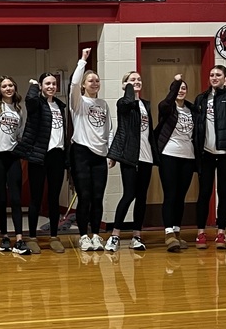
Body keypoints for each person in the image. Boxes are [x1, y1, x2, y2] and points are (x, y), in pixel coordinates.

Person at [17, 72, 68, 254]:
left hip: (57, 156)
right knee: (35, 198)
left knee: (54, 198)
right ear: (41, 86)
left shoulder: (60, 106)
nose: (51, 87)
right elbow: (30, 100)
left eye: (54, 84)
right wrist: (33, 86)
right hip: (39, 156)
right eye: (47, 84)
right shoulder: (36, 103)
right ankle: (32, 237)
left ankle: (54, 236)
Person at [192, 65, 226, 250]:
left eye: (218, 75)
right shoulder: (202, 98)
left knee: (224, 192)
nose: (214, 77)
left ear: (225, 77)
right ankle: (201, 233)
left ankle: (221, 233)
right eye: (212, 74)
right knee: (204, 193)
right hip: (206, 153)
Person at [104, 71, 154, 252]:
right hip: (130, 156)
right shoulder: (124, 102)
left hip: (146, 156)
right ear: (125, 85)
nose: (137, 82)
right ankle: (115, 235)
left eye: (139, 79)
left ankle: (136, 235)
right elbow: (126, 105)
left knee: (142, 197)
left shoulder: (145, 105)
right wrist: (129, 89)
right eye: (132, 80)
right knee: (129, 194)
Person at [69, 48, 111, 252]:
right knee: (84, 195)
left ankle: (96, 234)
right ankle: (83, 235)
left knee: (97, 197)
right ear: (84, 85)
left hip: (100, 154)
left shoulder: (103, 104)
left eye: (97, 81)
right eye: (91, 81)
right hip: (81, 153)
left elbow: (108, 129)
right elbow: (74, 83)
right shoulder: (78, 101)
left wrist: (110, 152)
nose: (94, 83)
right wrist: (82, 61)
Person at [154, 74, 197, 252]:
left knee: (181, 196)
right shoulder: (167, 108)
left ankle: (178, 232)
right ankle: (169, 233)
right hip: (169, 154)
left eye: (184, 88)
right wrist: (177, 82)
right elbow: (166, 103)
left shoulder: (192, 109)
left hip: (188, 156)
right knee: (170, 194)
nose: (181, 90)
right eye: (178, 88)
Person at [0, 75, 25, 253]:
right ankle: (4, 236)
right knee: (1, 199)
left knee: (16, 199)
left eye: (11, 85)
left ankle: (19, 238)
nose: (8, 88)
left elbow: (19, 134)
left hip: (13, 157)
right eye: (4, 86)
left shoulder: (18, 109)